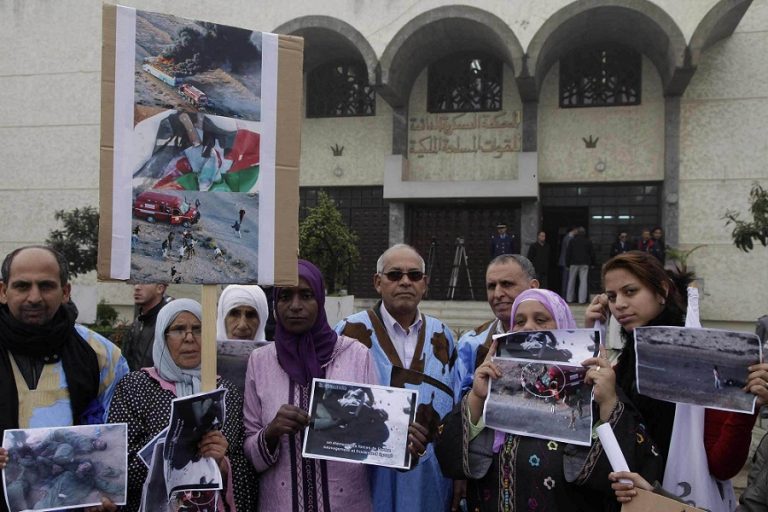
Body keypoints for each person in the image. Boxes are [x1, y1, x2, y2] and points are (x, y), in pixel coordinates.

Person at [436, 288, 663, 511]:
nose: (529, 328)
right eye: (520, 321)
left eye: (541, 319)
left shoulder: (593, 385)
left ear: (563, 326)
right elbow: (449, 457)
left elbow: (634, 467)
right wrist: (477, 398)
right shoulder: (492, 386)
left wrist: (607, 402)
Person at [585, 251, 766, 509]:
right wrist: (590, 339)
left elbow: (723, 465)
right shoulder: (622, 365)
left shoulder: (701, 359)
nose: (619, 305)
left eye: (630, 291)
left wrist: (746, 407)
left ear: (662, 291)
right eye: (612, 297)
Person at [243, 260, 393, 511]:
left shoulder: (356, 354)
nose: (295, 306)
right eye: (285, 296)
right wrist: (271, 432)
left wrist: (398, 439)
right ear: (275, 304)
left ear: (320, 300)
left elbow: (377, 436)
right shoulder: (260, 361)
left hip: (347, 503)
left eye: (306, 295)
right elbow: (249, 448)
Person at [0, 245, 128, 512]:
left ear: (66, 291)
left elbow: (118, 439)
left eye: (46, 286)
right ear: (3, 291)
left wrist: (102, 494)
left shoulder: (102, 355)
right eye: (22, 286)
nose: (34, 297)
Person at [335, 244, 458, 512]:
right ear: (378, 282)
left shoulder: (444, 336)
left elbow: (456, 408)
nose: (405, 281)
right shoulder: (347, 333)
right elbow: (333, 408)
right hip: (367, 473)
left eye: (414, 275)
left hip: (428, 476)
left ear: (424, 284)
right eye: (394, 275)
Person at [107, 298, 257, 512]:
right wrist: (166, 447)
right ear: (162, 336)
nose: (189, 338)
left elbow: (246, 469)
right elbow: (116, 469)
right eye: (178, 329)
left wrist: (223, 464)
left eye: (197, 329)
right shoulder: (136, 387)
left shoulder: (225, 392)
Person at [454, 254, 539, 395]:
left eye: (507, 284)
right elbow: (457, 406)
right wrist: (477, 394)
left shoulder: (563, 343)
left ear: (533, 287)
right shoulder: (471, 344)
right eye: (492, 286)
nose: (497, 294)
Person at [122, 283, 171, 371]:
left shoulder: (170, 322)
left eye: (144, 282)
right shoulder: (137, 323)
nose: (136, 287)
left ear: (160, 288)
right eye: (136, 282)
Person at [565, 226, 594, 304]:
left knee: (571, 281)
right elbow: (592, 254)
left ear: (577, 233)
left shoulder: (572, 241)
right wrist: (592, 263)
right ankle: (582, 300)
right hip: (584, 263)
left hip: (573, 263)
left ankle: (569, 299)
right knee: (583, 281)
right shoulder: (588, 241)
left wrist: (567, 264)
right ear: (584, 233)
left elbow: (568, 253)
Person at [558, 227, 577, 298]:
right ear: (574, 230)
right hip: (565, 262)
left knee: (567, 279)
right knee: (566, 280)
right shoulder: (569, 238)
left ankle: (566, 296)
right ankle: (565, 296)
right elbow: (569, 251)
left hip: (565, 261)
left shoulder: (566, 238)